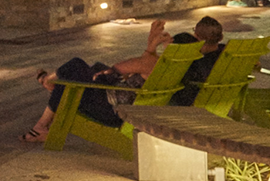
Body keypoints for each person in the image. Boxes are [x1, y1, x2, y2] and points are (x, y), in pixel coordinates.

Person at [21, 19, 178, 142]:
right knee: (79, 74)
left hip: (111, 110)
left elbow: (115, 71)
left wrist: (151, 43)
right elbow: (145, 63)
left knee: (75, 69)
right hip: (124, 106)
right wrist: (151, 45)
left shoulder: (149, 63)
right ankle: (48, 92)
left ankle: (47, 94)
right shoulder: (170, 66)